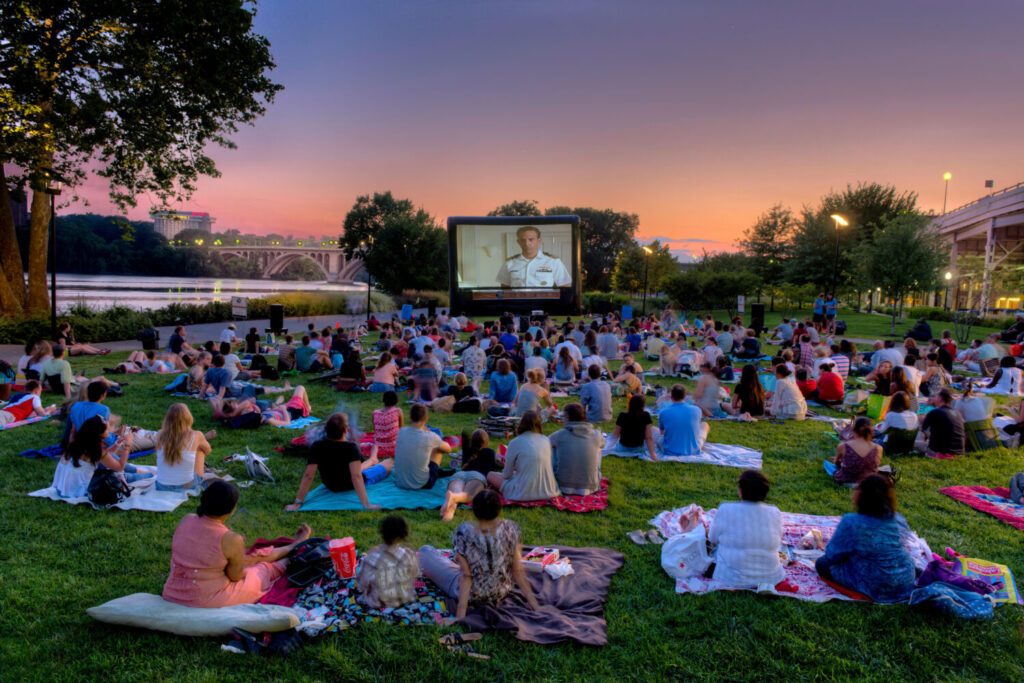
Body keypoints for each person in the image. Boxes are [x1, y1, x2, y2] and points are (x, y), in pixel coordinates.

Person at [163, 481, 312, 607]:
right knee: (261, 569)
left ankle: (292, 548)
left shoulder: (186, 519)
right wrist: (245, 564)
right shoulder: (230, 539)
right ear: (232, 509)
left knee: (252, 559)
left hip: (173, 591)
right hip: (204, 599)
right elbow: (235, 576)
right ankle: (288, 559)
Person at [419, 490, 541, 620]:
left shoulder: (464, 533)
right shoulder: (511, 529)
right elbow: (517, 570)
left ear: (475, 511)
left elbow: (466, 577)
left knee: (425, 551)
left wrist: (460, 616)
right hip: (500, 591)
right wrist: (535, 606)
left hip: (470, 594)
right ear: (499, 510)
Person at [814, 475, 916, 603]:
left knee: (821, 563)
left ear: (861, 496)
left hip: (877, 585)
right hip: (905, 582)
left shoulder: (852, 523)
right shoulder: (899, 519)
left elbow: (832, 556)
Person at [286, 413, 391, 511]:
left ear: (326, 429)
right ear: (346, 430)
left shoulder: (317, 446)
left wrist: (298, 502)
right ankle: (373, 460)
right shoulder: (351, 448)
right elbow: (356, 476)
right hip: (349, 485)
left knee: (358, 468)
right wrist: (366, 504)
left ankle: (372, 460)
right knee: (388, 463)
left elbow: (309, 475)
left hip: (331, 485)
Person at [708, 470, 785, 589]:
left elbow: (712, 538)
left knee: (711, 549)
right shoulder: (775, 512)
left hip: (731, 578)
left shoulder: (725, 509)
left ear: (740, 491)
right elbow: (778, 539)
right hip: (771, 578)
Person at [52, 415, 153, 498]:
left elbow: (106, 456)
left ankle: (137, 472)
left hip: (61, 488)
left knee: (112, 460)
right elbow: (119, 467)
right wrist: (127, 445)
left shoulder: (79, 443)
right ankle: (149, 474)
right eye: (107, 429)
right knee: (118, 475)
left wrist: (118, 442)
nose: (110, 431)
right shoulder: (97, 451)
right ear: (99, 433)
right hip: (75, 491)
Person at [486, 411, 559, 501]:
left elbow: (507, 475)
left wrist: (514, 471)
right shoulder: (546, 440)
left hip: (522, 493)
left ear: (521, 424)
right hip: (549, 491)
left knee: (491, 474)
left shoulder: (515, 442)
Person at [355, 515, 419, 609]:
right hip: (404, 598)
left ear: (381, 533)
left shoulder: (371, 558)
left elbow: (362, 584)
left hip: (377, 602)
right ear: (405, 535)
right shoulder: (408, 555)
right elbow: (415, 574)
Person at [440, 429, 497, 522]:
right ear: (486, 441)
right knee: (468, 495)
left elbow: (464, 434)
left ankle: (449, 513)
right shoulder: (490, 452)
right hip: (477, 476)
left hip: (460, 474)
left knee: (456, 493)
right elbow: (492, 469)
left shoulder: (467, 450)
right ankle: (453, 498)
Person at [155, 403, 213, 493]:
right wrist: (200, 441)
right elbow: (208, 450)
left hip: (161, 486)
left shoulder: (159, 434)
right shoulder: (197, 435)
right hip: (186, 486)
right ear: (188, 418)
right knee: (200, 450)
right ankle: (200, 477)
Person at [393, 404, 452, 490]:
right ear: (425, 419)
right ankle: (432, 473)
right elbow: (448, 449)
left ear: (410, 418)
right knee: (438, 449)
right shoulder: (431, 436)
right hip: (422, 484)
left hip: (400, 482)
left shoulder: (401, 431)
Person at [549, 402, 602, 496]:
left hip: (562, 485)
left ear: (567, 418)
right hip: (591, 487)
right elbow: (603, 444)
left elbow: (545, 443)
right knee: (598, 449)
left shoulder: (559, 435)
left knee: (552, 448)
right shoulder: (596, 435)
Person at [495, 226, 570, 288]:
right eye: (523, 240)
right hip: (518, 301)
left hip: (544, 302)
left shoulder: (553, 262)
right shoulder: (509, 263)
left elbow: (564, 286)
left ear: (539, 241)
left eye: (531, 240)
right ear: (518, 242)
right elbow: (504, 289)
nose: (527, 243)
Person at [660, 384, 709, 456]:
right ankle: (697, 446)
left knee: (653, 430)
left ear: (671, 397)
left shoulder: (664, 412)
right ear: (685, 396)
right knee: (705, 425)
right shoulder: (697, 409)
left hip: (670, 450)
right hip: (694, 450)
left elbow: (662, 433)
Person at [830, 417, 881, 484]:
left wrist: (840, 462)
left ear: (853, 430)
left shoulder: (843, 446)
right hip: (868, 483)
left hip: (846, 480)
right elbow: (874, 466)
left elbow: (836, 463)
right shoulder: (879, 448)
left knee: (829, 466)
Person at [915, 389, 965, 456]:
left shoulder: (935, 412)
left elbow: (924, 430)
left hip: (941, 451)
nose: (934, 398)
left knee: (914, 443)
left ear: (940, 399)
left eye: (936, 396)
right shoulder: (957, 413)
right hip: (959, 452)